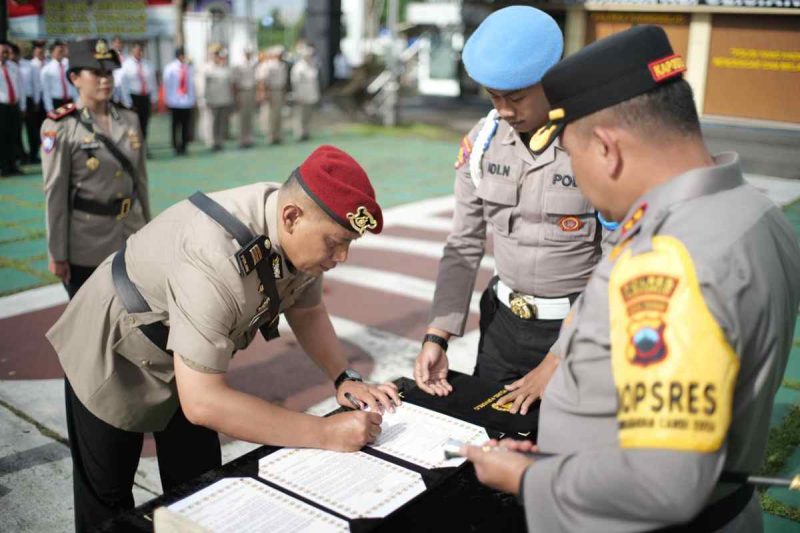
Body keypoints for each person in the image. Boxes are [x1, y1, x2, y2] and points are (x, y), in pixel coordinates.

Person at [463, 25, 800, 532]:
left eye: (574, 158)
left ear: (607, 148)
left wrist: (526, 479)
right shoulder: (756, 212)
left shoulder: (666, 261)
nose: (576, 176)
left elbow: (662, 482)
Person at [46, 144, 400, 531]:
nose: (342, 256)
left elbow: (308, 309)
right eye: (336, 242)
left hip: (190, 354)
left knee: (199, 491)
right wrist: (323, 432)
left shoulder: (299, 224)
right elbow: (203, 402)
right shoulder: (215, 256)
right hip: (116, 349)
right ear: (292, 216)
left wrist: (343, 378)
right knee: (109, 503)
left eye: (349, 243)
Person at [413, 6, 601, 415]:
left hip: (576, 331)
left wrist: (558, 357)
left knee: (562, 452)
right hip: (501, 327)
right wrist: (438, 334)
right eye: (494, 97)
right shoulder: (482, 145)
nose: (503, 110)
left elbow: (621, 260)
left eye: (515, 97)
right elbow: (463, 245)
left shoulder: (594, 144)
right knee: (490, 440)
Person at [41, 39, 151, 298]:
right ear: (75, 78)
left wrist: (148, 231)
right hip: (87, 241)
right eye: (97, 73)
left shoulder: (129, 118)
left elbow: (141, 181)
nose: (106, 80)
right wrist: (57, 254)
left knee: (136, 321)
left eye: (109, 73)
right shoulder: (60, 126)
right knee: (90, 326)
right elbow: (55, 192)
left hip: (131, 233)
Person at [119, 42, 157, 149]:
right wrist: (127, 101)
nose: (139, 52)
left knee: (145, 123)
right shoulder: (126, 65)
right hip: (134, 97)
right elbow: (124, 84)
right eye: (137, 50)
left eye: (141, 50)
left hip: (145, 97)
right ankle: (135, 146)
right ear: (132, 51)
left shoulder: (148, 64)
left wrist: (154, 98)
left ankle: (144, 146)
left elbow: (152, 82)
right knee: (135, 123)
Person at [200, 44, 234, 151]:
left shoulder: (225, 68)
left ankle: (219, 141)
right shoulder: (206, 68)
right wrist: (203, 98)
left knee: (221, 122)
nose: (220, 58)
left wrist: (230, 99)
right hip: (212, 100)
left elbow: (229, 85)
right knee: (212, 122)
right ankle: (212, 141)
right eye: (218, 55)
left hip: (224, 99)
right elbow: (202, 85)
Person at [163, 47, 196, 155]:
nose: (183, 57)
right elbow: (167, 85)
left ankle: (184, 146)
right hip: (174, 101)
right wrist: (167, 99)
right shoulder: (170, 68)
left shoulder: (189, 68)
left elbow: (191, 85)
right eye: (181, 55)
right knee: (175, 125)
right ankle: (175, 146)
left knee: (185, 125)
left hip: (187, 101)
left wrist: (193, 98)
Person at [0, 42, 26, 177]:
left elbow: (20, 87)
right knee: (2, 138)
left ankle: (13, 165)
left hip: (14, 105)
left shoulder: (14, 67)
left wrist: (22, 106)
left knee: (14, 136)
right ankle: (3, 167)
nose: (5, 55)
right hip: (1, 107)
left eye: (6, 52)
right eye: (2, 52)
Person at [256, 45, 288, 145]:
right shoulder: (267, 65)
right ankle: (271, 136)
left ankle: (277, 135)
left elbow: (284, 81)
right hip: (271, 90)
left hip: (279, 90)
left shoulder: (282, 65)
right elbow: (262, 81)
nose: (281, 56)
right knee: (270, 114)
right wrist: (263, 93)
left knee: (278, 114)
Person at [19, 41, 44, 164]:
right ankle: (20, 155)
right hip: (14, 100)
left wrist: (36, 100)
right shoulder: (12, 66)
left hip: (29, 99)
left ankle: (33, 154)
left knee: (32, 129)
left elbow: (35, 84)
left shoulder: (28, 65)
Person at [290, 44, 320, 141]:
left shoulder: (312, 65)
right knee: (300, 115)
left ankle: (307, 132)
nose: (309, 57)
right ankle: (300, 133)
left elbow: (315, 81)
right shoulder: (298, 67)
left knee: (308, 114)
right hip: (302, 93)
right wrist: (298, 95)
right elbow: (295, 83)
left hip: (311, 93)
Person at [40, 40, 75, 113]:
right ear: (52, 53)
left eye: (62, 51)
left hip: (70, 100)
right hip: (57, 101)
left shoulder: (69, 65)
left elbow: (74, 85)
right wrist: (49, 108)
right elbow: (46, 91)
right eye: (59, 51)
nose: (61, 53)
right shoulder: (46, 69)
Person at [233, 48, 257, 148]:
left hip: (251, 90)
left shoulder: (253, 65)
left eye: (250, 53)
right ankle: (242, 139)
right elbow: (235, 82)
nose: (248, 55)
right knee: (243, 116)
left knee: (250, 115)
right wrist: (236, 96)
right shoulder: (239, 65)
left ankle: (249, 138)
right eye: (247, 53)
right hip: (242, 91)